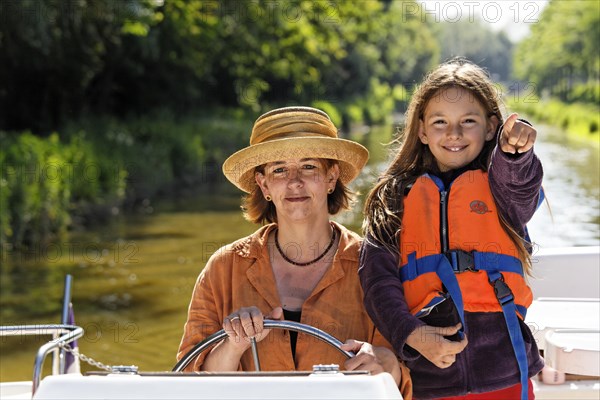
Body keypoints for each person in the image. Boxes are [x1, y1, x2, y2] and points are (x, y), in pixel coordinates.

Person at [177, 106, 412, 398]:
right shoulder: (223, 269)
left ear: (331, 177)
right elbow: (187, 385)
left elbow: (403, 377)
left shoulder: (373, 265)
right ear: (263, 184)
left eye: (309, 166)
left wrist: (388, 366)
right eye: (279, 170)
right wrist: (234, 343)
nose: (294, 182)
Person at [359, 58, 544, 400]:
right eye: (440, 121)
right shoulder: (394, 198)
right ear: (422, 131)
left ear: (490, 128)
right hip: (429, 381)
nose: (454, 133)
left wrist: (517, 155)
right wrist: (410, 333)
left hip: (505, 374)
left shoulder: (503, 185)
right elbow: (377, 281)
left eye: (467, 121)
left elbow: (522, 188)